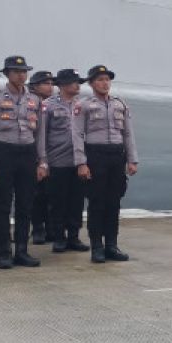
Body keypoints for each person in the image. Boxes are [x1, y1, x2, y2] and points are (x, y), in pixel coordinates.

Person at [0, 55, 43, 269]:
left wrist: (42, 161)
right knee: (2, 204)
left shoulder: (35, 100)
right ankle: (5, 251)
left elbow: (40, 134)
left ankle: (22, 251)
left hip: (27, 153)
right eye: (16, 71)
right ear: (7, 74)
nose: (21, 75)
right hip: (3, 152)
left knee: (25, 204)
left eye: (24, 71)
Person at [73, 64, 138, 262]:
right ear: (92, 83)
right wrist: (81, 163)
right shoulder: (83, 105)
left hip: (116, 156)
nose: (104, 83)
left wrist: (132, 159)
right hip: (95, 155)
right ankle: (97, 247)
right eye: (100, 80)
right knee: (97, 202)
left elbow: (128, 133)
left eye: (107, 80)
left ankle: (111, 245)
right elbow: (77, 134)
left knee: (114, 202)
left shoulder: (120, 104)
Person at [35, 69, 89, 254]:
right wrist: (43, 161)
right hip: (57, 161)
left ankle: (73, 236)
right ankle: (59, 237)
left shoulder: (82, 105)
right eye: (74, 82)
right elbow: (41, 134)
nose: (78, 85)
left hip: (78, 161)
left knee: (76, 201)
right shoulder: (47, 106)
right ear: (64, 85)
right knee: (57, 202)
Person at [27, 69, 55, 244]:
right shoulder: (30, 103)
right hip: (33, 155)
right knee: (35, 195)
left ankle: (51, 228)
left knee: (51, 194)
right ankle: (37, 228)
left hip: (53, 156)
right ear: (35, 87)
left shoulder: (54, 105)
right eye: (46, 83)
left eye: (52, 84)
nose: (50, 87)